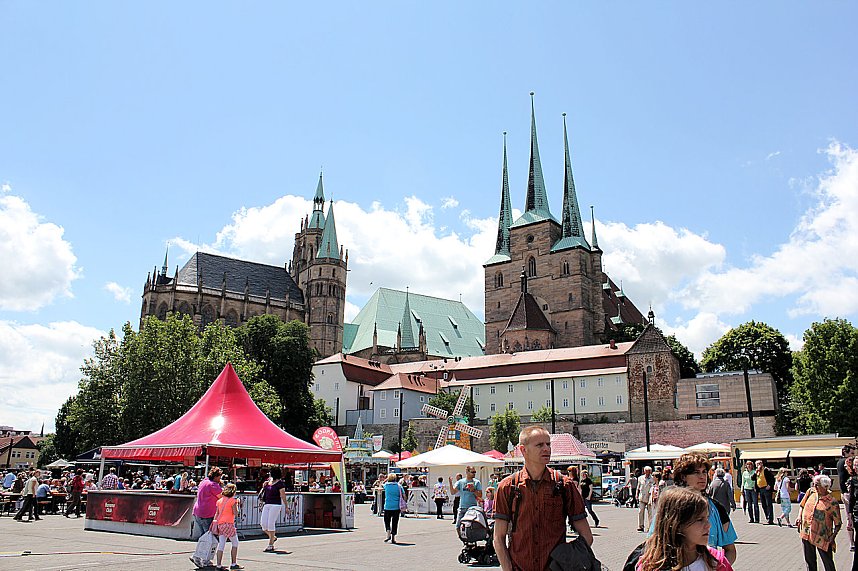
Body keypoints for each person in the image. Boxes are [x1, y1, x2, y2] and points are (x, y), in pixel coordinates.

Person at [494, 426, 592, 571]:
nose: (546, 449)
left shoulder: (564, 485)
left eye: (548, 444)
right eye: (539, 445)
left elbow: (587, 536)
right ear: (523, 450)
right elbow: (498, 538)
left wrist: (565, 562)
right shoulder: (508, 487)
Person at [636, 486, 733, 571]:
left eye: (707, 518)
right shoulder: (651, 566)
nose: (708, 525)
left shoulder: (716, 562)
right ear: (676, 524)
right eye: (700, 520)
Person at [670, 453, 737, 565]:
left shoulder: (716, 508)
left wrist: (717, 567)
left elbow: (730, 550)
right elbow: (654, 545)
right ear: (683, 476)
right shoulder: (671, 506)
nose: (702, 477)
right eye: (696, 472)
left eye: (704, 472)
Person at [798, 474, 841, 571]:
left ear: (825, 486)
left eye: (817, 485)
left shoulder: (832, 502)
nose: (815, 486)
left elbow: (838, 524)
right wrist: (799, 517)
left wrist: (832, 537)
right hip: (806, 532)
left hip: (822, 537)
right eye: (814, 484)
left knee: (828, 562)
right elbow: (802, 505)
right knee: (810, 561)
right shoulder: (811, 492)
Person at [213, 483, 243, 570]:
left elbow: (217, 513)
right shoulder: (233, 501)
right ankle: (233, 563)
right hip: (229, 524)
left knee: (221, 544)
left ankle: (218, 565)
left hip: (220, 524)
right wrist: (238, 505)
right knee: (235, 543)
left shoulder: (219, 501)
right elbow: (236, 513)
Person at [259, 467, 287, 552]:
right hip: (267, 503)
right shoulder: (268, 482)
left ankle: (270, 544)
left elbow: (283, 495)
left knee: (271, 523)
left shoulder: (280, 484)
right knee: (263, 524)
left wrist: (286, 506)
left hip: (276, 504)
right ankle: (272, 537)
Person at [192, 467, 223, 541]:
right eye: (219, 477)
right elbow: (222, 497)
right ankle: (208, 552)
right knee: (210, 537)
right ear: (215, 476)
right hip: (207, 513)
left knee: (203, 536)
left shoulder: (204, 481)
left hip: (197, 512)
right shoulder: (213, 485)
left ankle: (202, 551)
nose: (220, 479)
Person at [382, 473, 404, 544]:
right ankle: (393, 538)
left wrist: (386, 479)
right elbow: (404, 495)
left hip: (387, 506)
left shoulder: (386, 486)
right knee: (395, 522)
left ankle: (388, 533)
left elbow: (382, 484)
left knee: (387, 521)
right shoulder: (399, 486)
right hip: (396, 506)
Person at [755, 460, 775, 525]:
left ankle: (770, 519)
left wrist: (769, 485)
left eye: (759, 464)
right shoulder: (757, 472)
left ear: (762, 464)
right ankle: (767, 517)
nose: (759, 465)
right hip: (760, 489)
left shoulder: (766, 470)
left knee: (768, 504)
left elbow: (772, 478)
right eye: (757, 464)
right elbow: (752, 478)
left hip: (766, 488)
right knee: (763, 504)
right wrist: (756, 472)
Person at [846, 457, 858, 570]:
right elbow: (851, 499)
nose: (856, 467)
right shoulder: (853, 480)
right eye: (855, 465)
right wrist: (850, 516)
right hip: (857, 514)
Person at [637, 466, 655, 532]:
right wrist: (636, 494)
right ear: (644, 471)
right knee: (640, 511)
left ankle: (650, 527)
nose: (647, 472)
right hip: (642, 497)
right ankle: (640, 526)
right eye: (646, 471)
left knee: (650, 513)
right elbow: (638, 487)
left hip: (650, 497)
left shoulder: (653, 478)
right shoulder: (640, 478)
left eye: (649, 471)